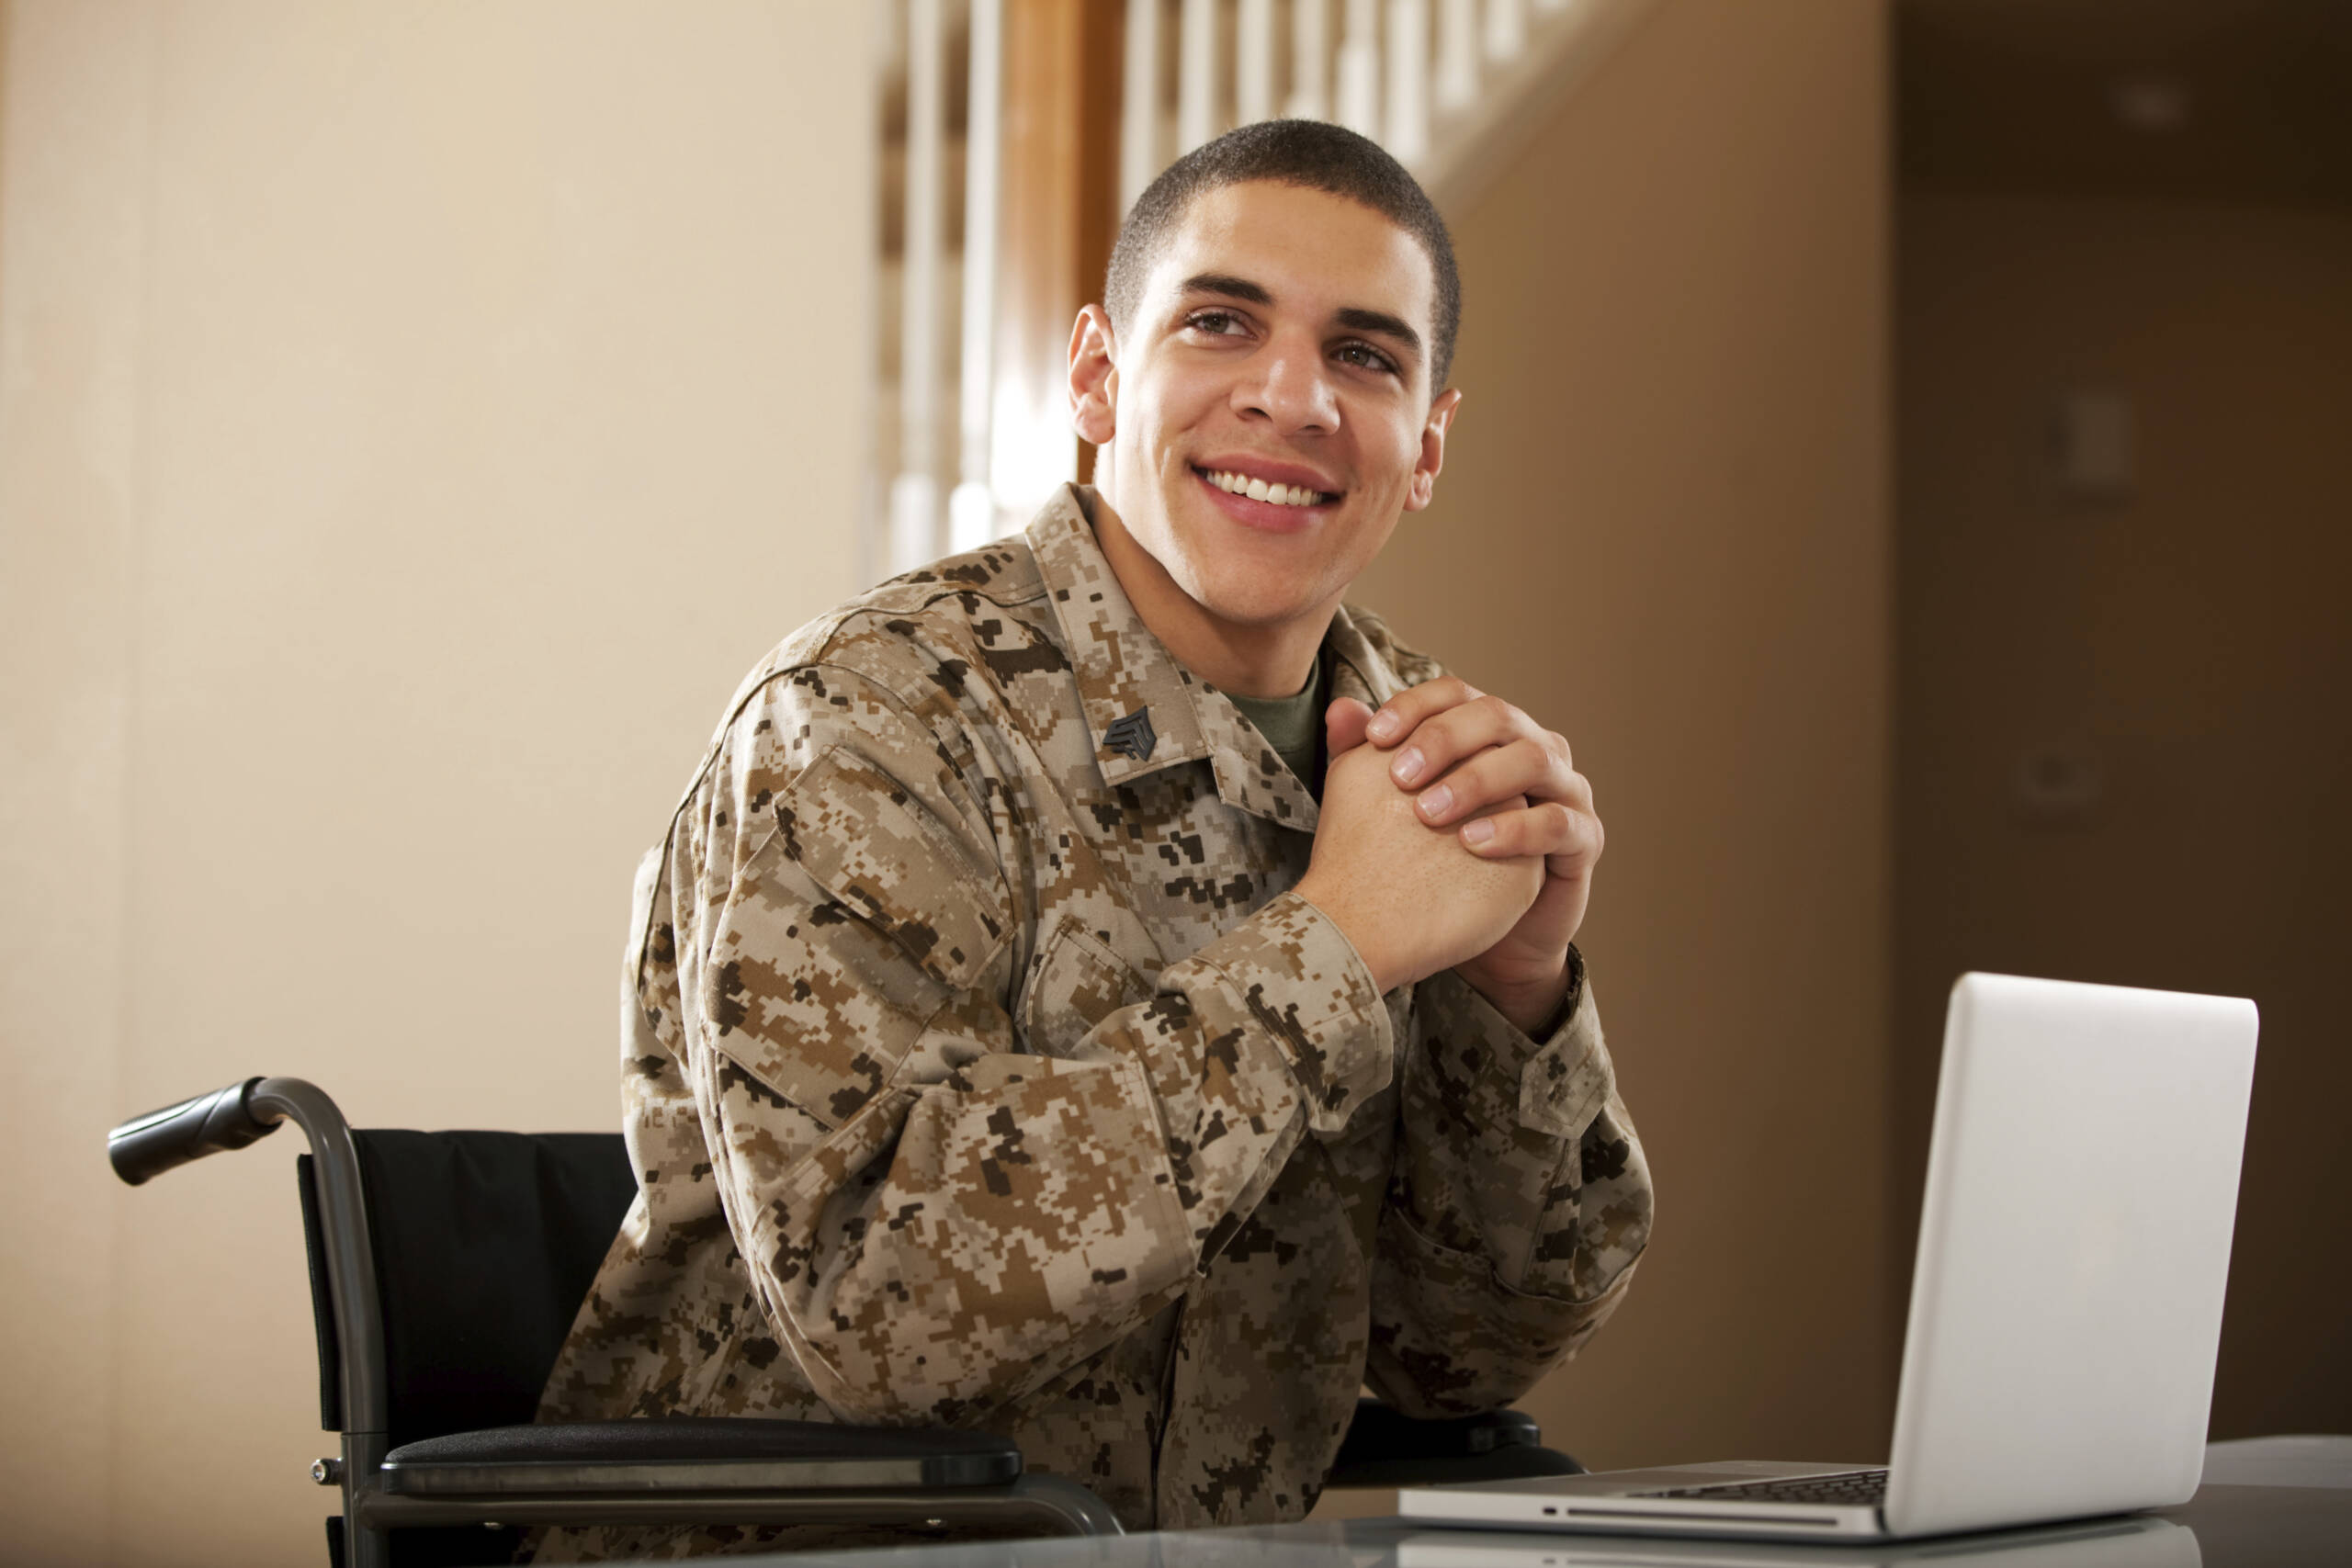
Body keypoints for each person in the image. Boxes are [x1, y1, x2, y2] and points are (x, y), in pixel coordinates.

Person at [530, 119, 1651, 1562]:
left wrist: (1522, 1000)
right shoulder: (866, 723)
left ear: (1426, 441)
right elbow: (882, 1312)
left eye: (1366, 355)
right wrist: (1336, 947)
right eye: (1220, 322)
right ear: (1096, 376)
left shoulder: (1418, 764)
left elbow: (1469, 1359)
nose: (1294, 396)